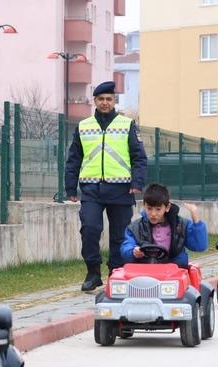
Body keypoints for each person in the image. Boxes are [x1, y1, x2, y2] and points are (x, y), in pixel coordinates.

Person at [65, 81, 148, 291]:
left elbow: (139, 157)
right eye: (100, 99)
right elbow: (74, 158)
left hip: (121, 189)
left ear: (114, 101)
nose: (104, 103)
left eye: (108, 99)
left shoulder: (127, 125)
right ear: (95, 101)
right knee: (90, 229)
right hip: (91, 188)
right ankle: (93, 272)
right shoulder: (83, 126)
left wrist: (137, 182)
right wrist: (70, 187)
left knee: (120, 235)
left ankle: (116, 272)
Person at [120, 183, 207, 267]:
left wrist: (196, 221)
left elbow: (199, 246)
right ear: (144, 205)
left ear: (167, 207)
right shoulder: (136, 227)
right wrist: (133, 251)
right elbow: (126, 247)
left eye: (158, 209)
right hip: (146, 270)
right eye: (149, 208)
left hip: (175, 271)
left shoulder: (181, 225)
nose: (153, 214)